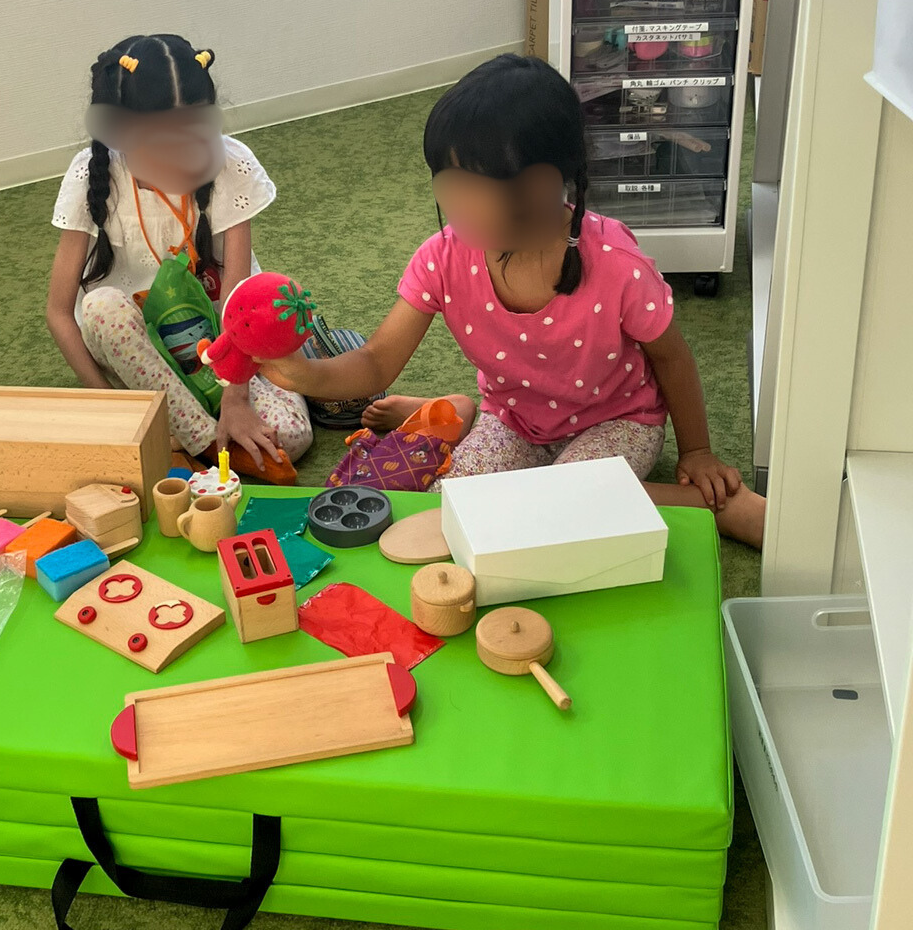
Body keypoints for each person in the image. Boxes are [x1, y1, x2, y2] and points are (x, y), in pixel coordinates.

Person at [263, 54, 764, 546]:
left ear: (545, 184)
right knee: (453, 509)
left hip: (618, 422)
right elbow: (376, 361)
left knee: (561, 512)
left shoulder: (616, 264)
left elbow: (672, 357)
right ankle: (453, 411)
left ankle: (713, 507)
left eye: (481, 185)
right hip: (515, 420)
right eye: (451, 182)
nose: (460, 204)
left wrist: (697, 452)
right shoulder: (443, 258)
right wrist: (304, 375)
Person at [47, 34, 312, 470]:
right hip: (139, 348)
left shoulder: (230, 164)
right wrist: (113, 409)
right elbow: (60, 313)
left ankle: (180, 431)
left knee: (292, 436)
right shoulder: (90, 175)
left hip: (224, 342)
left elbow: (236, 300)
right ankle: (205, 441)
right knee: (101, 308)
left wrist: (237, 400)